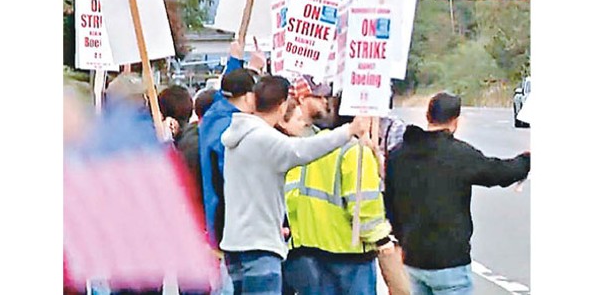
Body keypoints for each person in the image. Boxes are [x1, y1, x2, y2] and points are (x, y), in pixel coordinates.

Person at [219, 76, 371, 295]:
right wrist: (349, 130)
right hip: (259, 248)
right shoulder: (263, 138)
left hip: (235, 244)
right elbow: (304, 150)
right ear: (282, 106)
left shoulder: (237, 135)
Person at [383, 92, 531, 295]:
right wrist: (525, 160)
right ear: (455, 121)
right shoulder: (459, 154)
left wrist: (401, 239)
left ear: (427, 117)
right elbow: (498, 173)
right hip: (449, 261)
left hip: (413, 258)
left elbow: (389, 203)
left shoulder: (398, 154)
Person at [280, 93, 407, 295]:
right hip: (349, 256)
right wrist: (382, 239)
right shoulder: (356, 153)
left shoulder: (310, 145)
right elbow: (365, 208)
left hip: (307, 251)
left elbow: (291, 196)